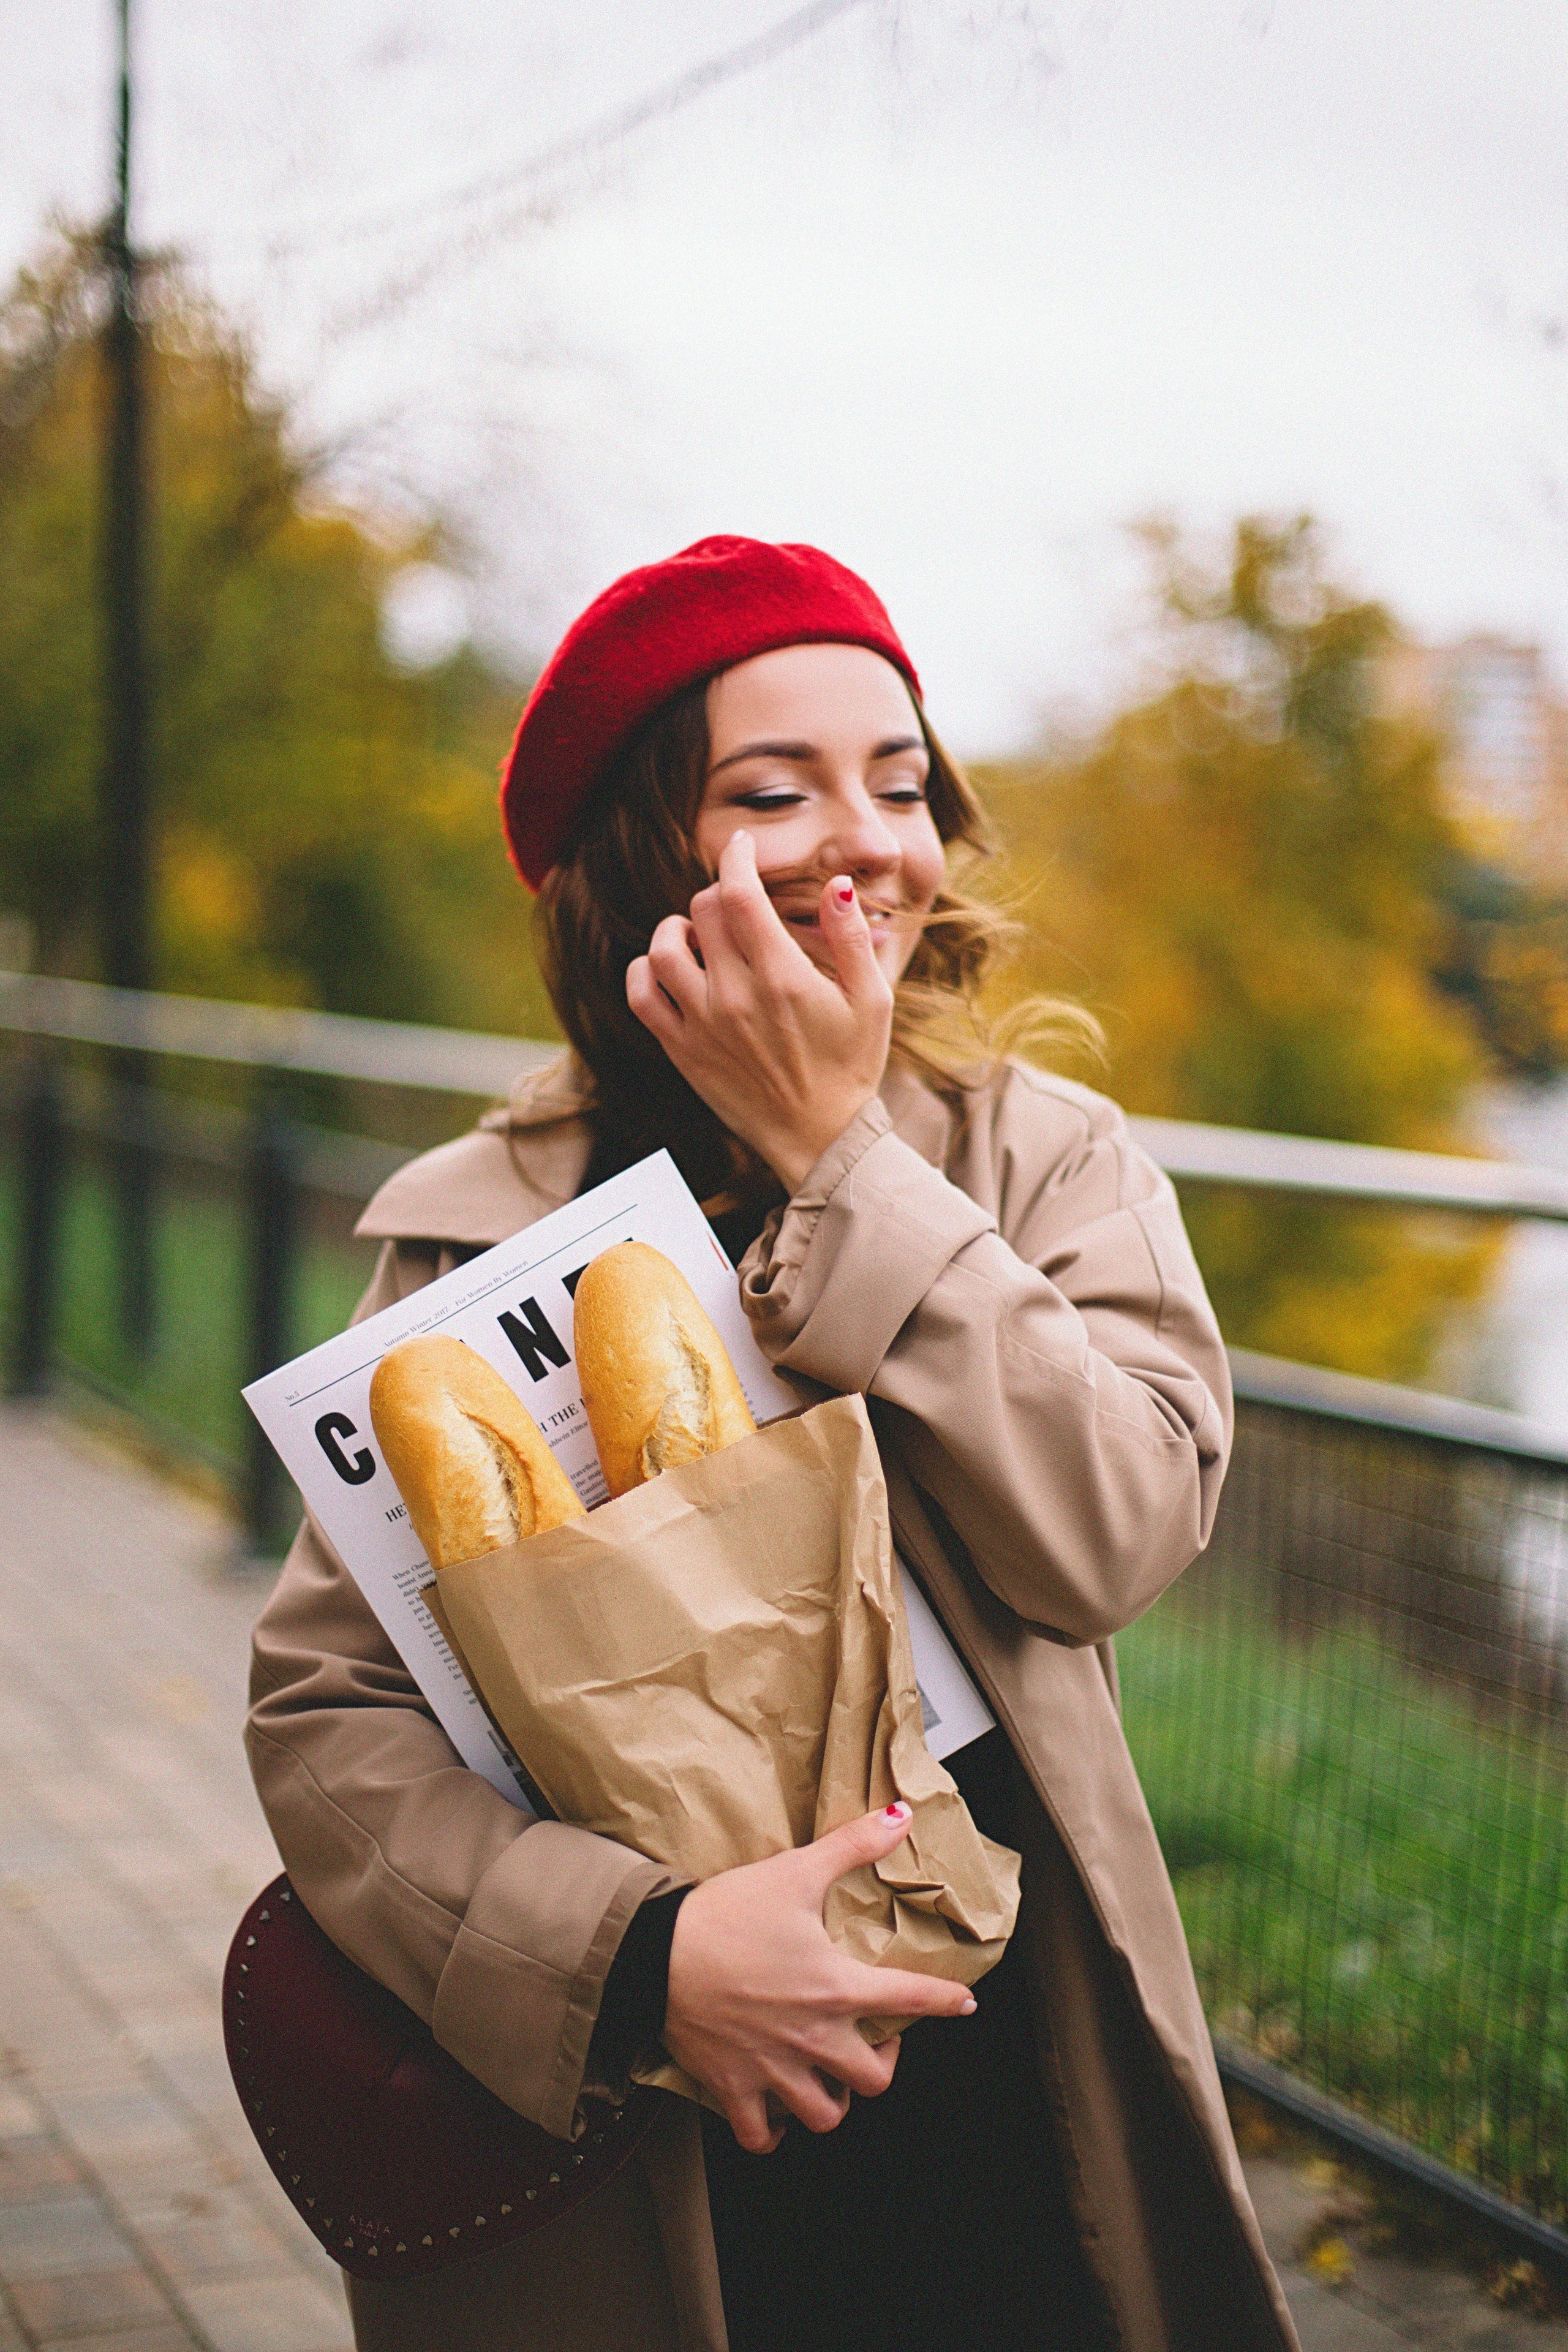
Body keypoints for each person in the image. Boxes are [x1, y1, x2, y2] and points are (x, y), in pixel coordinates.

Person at [246, 535, 1300, 2352]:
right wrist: (644, 1963)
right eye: (772, 788)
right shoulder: (479, 1224)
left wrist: (845, 1167)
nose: (864, 837)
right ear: (643, 851)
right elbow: (330, 1722)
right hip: (638, 2162)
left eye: (899, 782)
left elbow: (1117, 1533)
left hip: (1007, 2088)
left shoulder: (1046, 1163)